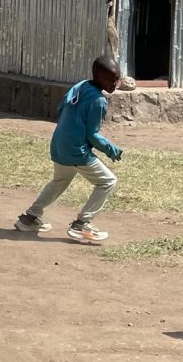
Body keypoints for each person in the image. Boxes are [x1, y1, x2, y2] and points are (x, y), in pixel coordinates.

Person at [14, 56, 123, 242]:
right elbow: (92, 135)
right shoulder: (98, 100)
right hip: (75, 150)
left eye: (117, 79)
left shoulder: (80, 86)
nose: (114, 84)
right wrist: (110, 149)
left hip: (59, 144)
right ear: (97, 76)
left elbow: (61, 109)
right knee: (108, 181)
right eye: (110, 79)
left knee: (59, 181)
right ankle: (82, 224)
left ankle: (29, 218)